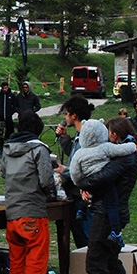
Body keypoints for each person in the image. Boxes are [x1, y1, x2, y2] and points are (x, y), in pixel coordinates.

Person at [75, 117, 137, 274]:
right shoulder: (126, 154)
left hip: (107, 212)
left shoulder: (125, 158)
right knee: (110, 257)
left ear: (115, 134)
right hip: (113, 211)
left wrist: (82, 183)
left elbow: (102, 177)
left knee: (96, 260)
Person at [0, 112, 56, 274]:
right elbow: (46, 180)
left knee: (17, 257)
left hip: (13, 211)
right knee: (36, 258)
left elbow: (4, 173)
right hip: (33, 211)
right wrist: (52, 194)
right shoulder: (39, 149)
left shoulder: (7, 148)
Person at [69, 120, 137, 247]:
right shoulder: (106, 148)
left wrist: (80, 183)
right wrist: (133, 146)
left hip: (100, 197)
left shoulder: (80, 153)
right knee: (103, 257)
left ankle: (81, 211)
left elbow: (75, 171)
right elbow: (124, 149)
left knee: (97, 255)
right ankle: (115, 233)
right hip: (102, 195)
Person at [55, 96, 95, 248]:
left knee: (86, 239)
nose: (65, 117)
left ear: (73, 115)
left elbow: (81, 168)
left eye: (66, 114)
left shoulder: (86, 137)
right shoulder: (79, 135)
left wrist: (64, 171)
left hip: (82, 195)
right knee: (79, 236)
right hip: (75, 193)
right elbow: (74, 156)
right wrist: (64, 138)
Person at [0, 82, 17, 152]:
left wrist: (10, 113)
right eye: (3, 88)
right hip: (0, 117)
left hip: (9, 117)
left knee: (9, 131)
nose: (4, 89)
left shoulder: (11, 96)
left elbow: (14, 105)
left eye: (6, 88)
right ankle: (0, 146)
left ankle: (9, 144)